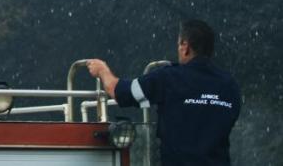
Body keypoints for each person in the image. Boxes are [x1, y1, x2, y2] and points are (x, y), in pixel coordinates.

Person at [86, 19, 241, 166]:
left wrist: (102, 70)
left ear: (185, 46)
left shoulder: (168, 78)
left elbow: (120, 92)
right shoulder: (229, 86)